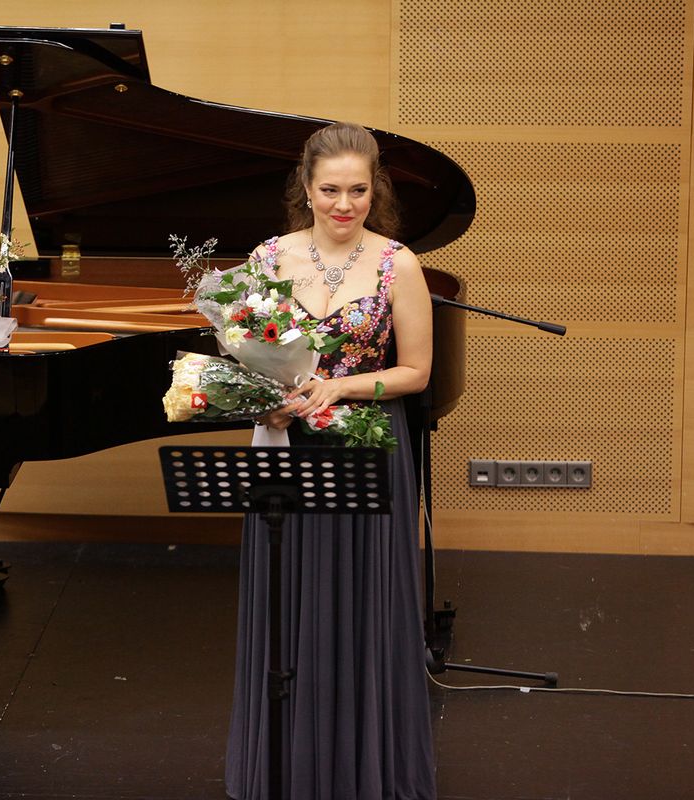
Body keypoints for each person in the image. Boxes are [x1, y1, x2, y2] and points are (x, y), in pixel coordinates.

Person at [224, 122, 436, 799]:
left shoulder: (398, 263)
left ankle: (362, 770)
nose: (345, 205)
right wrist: (265, 400)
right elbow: (243, 354)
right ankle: (288, 768)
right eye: (330, 190)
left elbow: (416, 372)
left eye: (358, 191)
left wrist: (339, 388)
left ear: (376, 192)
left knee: (362, 609)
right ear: (306, 189)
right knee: (288, 602)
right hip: (288, 444)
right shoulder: (268, 257)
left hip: (365, 444)